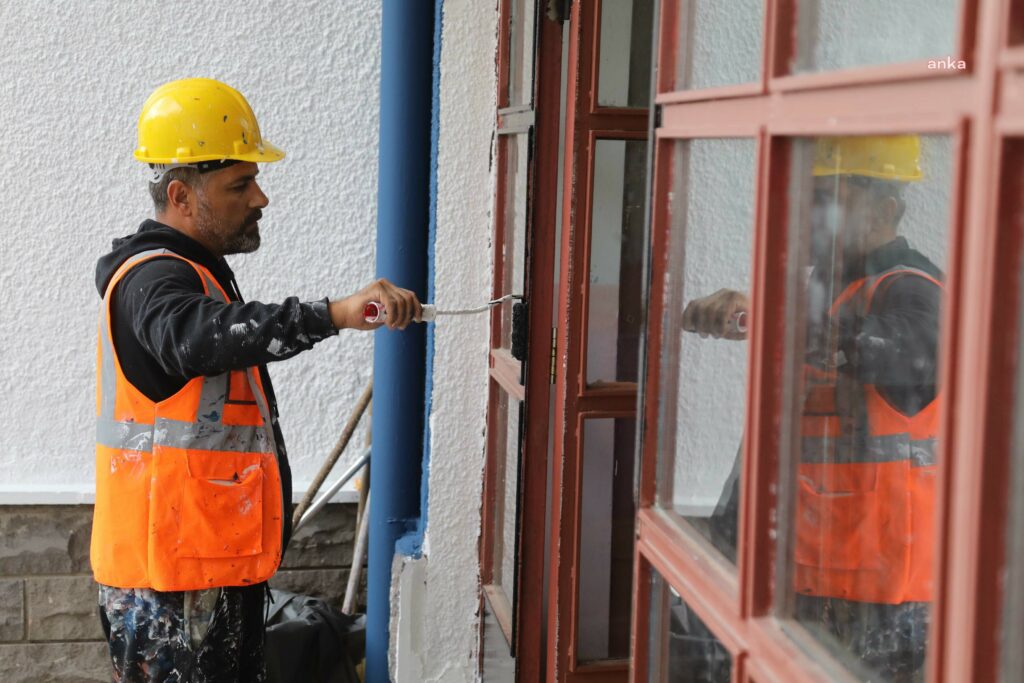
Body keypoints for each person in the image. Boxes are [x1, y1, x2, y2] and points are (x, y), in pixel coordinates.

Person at [91, 78, 421, 682]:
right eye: (239, 185)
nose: (260, 198)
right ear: (181, 196)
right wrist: (334, 313)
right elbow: (198, 338)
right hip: (171, 586)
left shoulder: (193, 275)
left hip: (201, 572)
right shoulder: (153, 283)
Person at [682, 136, 942, 681]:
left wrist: (769, 316)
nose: (808, 214)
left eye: (828, 198)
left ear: (885, 209)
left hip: (882, 606)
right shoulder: (827, 290)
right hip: (811, 578)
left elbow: (909, 355)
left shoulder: (913, 289)